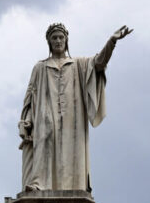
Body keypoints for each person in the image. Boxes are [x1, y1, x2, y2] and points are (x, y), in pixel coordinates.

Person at [19, 23, 133, 191]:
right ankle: (39, 186)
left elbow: (99, 62)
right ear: (49, 42)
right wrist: (25, 122)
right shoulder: (40, 68)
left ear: (66, 40)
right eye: (54, 38)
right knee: (43, 149)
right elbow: (30, 97)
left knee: (72, 155)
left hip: (73, 119)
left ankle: (73, 189)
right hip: (45, 118)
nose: (58, 41)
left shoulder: (79, 64)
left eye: (61, 37)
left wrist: (112, 42)